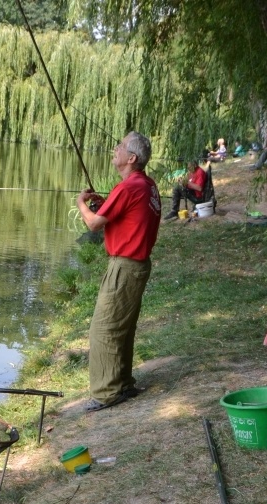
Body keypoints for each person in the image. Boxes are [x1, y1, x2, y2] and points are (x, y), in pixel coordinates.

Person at [76, 131, 162, 412]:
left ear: (132, 158)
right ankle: (122, 382)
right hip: (136, 265)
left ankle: (106, 393)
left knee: (104, 328)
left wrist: (81, 204)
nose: (116, 148)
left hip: (125, 265)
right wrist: (105, 204)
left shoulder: (129, 187)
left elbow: (93, 224)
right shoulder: (146, 185)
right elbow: (124, 217)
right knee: (123, 326)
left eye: (121, 146)